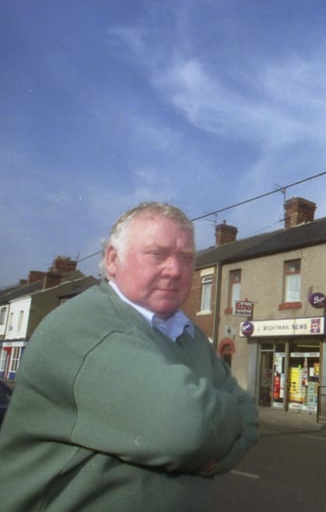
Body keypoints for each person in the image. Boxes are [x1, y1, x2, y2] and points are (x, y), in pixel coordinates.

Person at [0, 202, 259, 511]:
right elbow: (187, 426)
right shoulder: (87, 326)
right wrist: (214, 432)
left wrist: (211, 448)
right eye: (156, 254)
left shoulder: (189, 335)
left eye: (186, 258)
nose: (175, 269)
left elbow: (250, 416)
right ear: (112, 259)